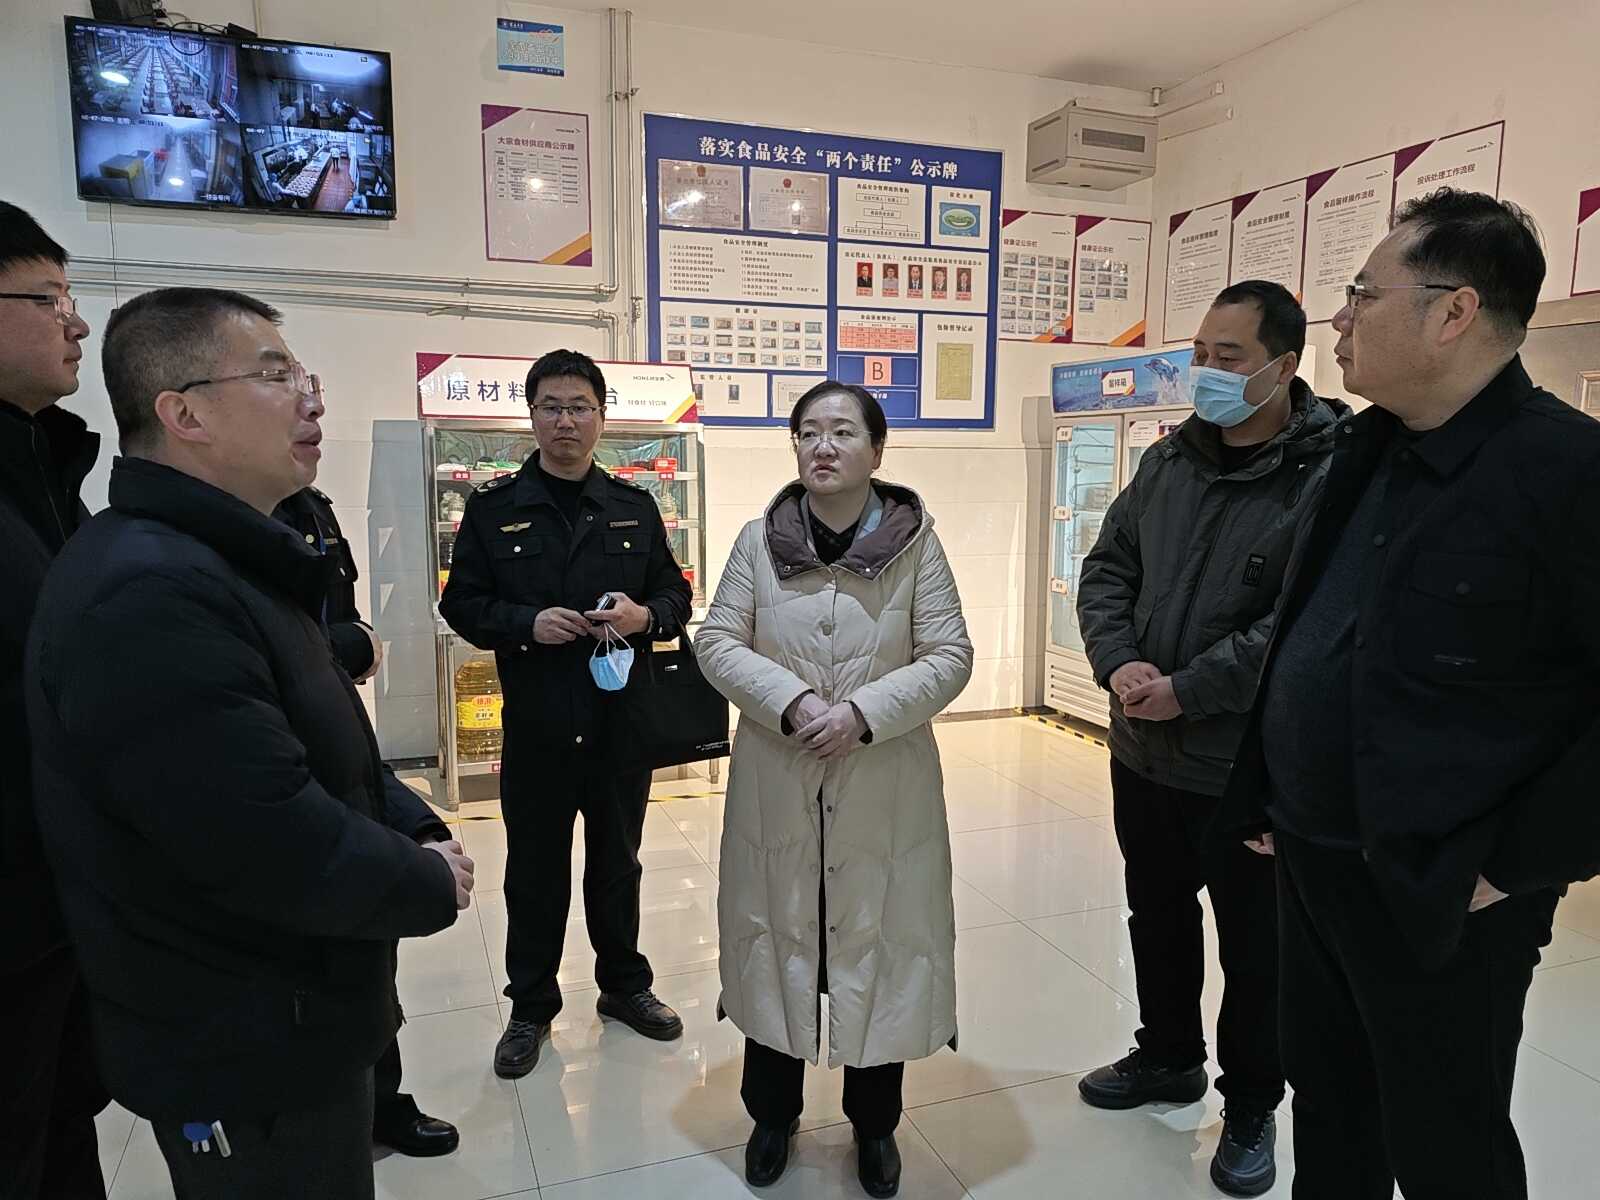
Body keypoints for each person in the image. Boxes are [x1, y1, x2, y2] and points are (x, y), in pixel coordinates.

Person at [25, 287, 475, 1200]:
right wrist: (422, 880)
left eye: (303, 373)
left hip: (296, 1013)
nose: (310, 397)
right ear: (183, 414)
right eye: (275, 375)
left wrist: (411, 821)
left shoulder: (230, 555)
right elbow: (257, 833)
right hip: (239, 1038)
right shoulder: (149, 592)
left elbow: (320, 739)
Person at [1219, 188, 1600, 1200]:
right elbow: (1316, 629)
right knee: (1329, 1106)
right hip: (1312, 856)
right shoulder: (1365, 450)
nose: (1339, 319)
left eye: (1361, 294)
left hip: (1442, 886)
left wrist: (1514, 864)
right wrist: (1272, 790)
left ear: (1453, 313)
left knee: (1445, 1141)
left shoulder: (1567, 472)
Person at [1077, 281, 1345, 1197]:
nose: (1207, 373)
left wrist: (1187, 691)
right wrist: (1119, 664)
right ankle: (1167, 1055)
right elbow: (1107, 568)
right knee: (1155, 912)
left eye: (1228, 358)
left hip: (1243, 767)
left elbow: (1301, 624)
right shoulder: (1169, 461)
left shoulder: (1327, 476)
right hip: (1142, 751)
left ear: (1283, 365)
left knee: (1256, 947)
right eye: (1199, 354)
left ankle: (1253, 1104)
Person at [696, 382, 974, 1197]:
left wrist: (862, 713)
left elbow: (950, 654)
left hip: (882, 781)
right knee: (776, 936)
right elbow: (717, 640)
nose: (823, 446)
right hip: (778, 780)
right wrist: (790, 702)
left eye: (843, 432)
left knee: (874, 944)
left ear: (876, 451)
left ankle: (875, 1124)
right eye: (809, 432)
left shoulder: (917, 545)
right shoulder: (757, 541)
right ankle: (771, 1114)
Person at [440, 348, 693, 1078]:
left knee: (618, 864)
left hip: (620, 726)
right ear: (532, 416)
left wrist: (646, 616)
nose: (566, 421)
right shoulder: (494, 510)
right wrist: (526, 623)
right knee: (534, 873)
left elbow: (674, 596)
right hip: (540, 728)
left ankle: (624, 987)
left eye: (580, 407)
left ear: (602, 417)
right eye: (551, 407)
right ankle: (530, 1006)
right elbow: (463, 604)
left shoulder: (633, 507)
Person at [274, 480, 463, 1158]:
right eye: (292, 427)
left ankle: (379, 1102)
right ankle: (325, 1119)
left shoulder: (311, 507)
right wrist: (347, 647)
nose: (311, 427)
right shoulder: (190, 557)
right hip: (286, 801)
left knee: (367, 958)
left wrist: (415, 822)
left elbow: (350, 743)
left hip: (339, 751)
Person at [0, 202, 107, 1200]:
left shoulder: (46, 469)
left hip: (60, 891)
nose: (76, 324)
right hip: (16, 896)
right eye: (49, 299)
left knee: (64, 1115)